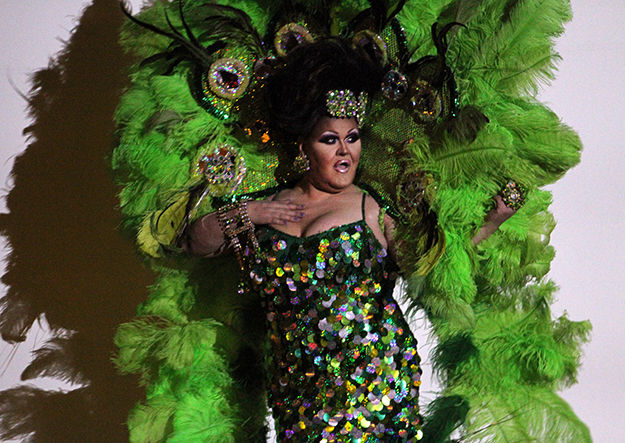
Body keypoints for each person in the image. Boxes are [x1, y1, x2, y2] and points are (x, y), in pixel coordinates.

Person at [179, 38, 516, 441]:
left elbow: (429, 267)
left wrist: (492, 222)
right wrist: (250, 213)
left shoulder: (371, 207)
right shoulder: (265, 209)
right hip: (297, 392)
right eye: (330, 140)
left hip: (372, 383)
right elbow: (190, 243)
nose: (344, 152)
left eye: (352, 138)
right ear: (303, 145)